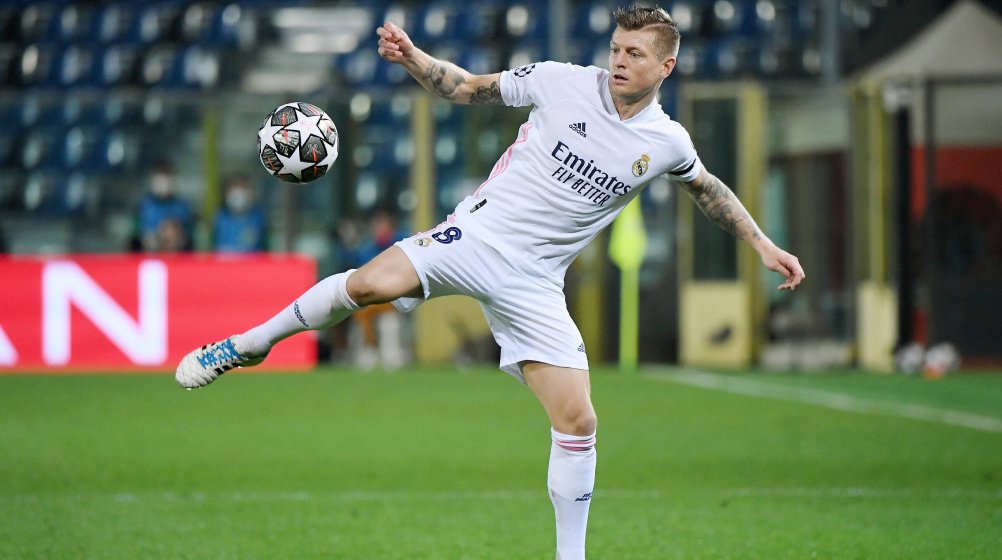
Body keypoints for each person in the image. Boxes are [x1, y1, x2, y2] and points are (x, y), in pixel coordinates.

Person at [175, 6, 805, 559]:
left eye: (635, 53)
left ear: (666, 66)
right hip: (475, 238)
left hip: (537, 283)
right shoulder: (560, 81)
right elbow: (468, 88)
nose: (619, 60)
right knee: (368, 286)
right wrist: (414, 58)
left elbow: (708, 189)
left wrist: (764, 244)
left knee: (578, 420)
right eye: (616, 47)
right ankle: (248, 344)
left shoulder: (667, 142)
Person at [134, 161, 194, 252]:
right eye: (160, 181)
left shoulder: (182, 207)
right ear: (152, 181)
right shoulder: (143, 207)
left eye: (167, 180)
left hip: (177, 256)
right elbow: (136, 238)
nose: (163, 185)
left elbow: (189, 238)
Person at [213, 175, 267, 253]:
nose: (239, 194)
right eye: (235, 188)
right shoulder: (220, 218)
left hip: (253, 260)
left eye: (243, 188)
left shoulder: (258, 218)